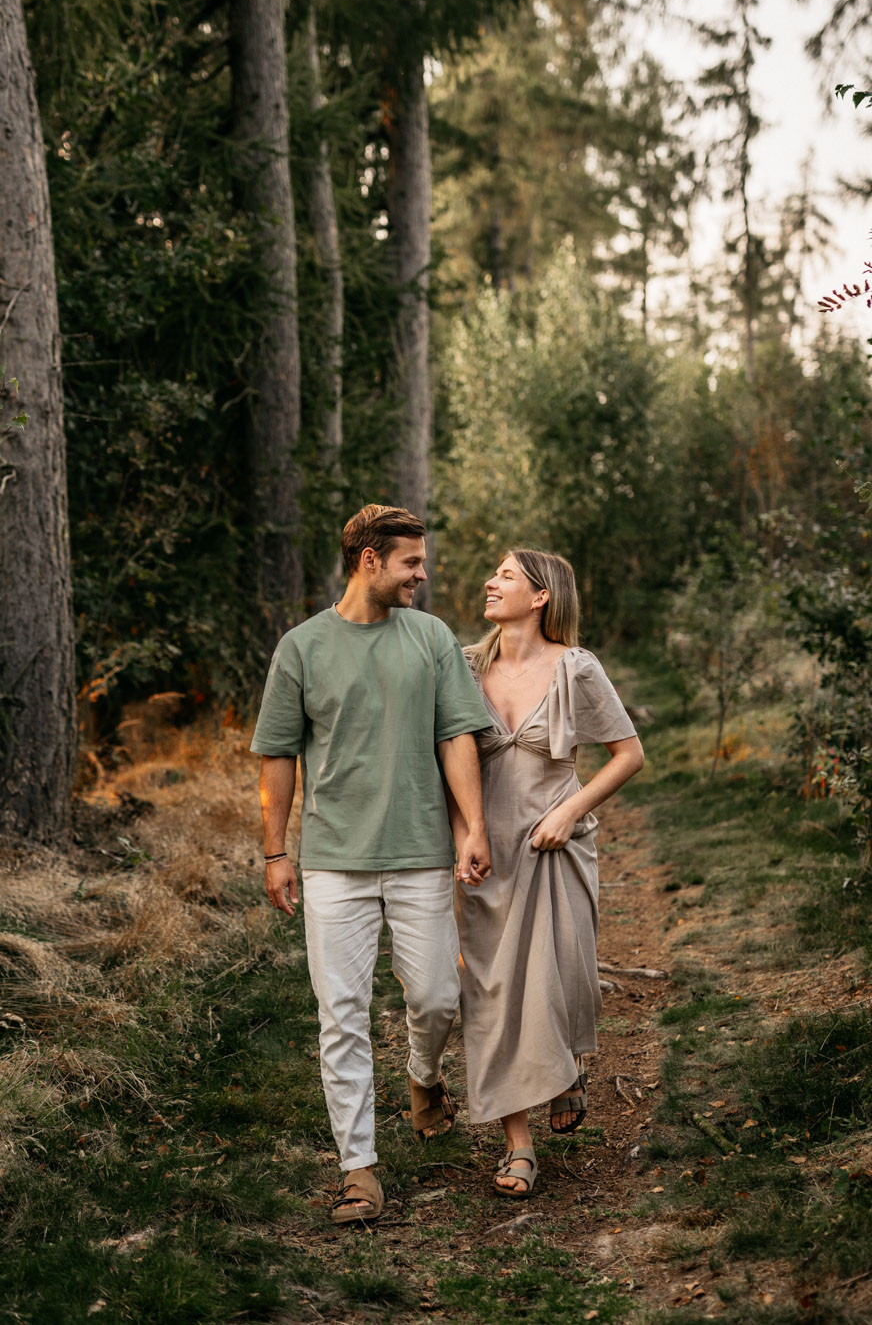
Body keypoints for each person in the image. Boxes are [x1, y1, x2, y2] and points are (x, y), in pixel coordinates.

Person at [251, 504, 492, 1224]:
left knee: (436, 998)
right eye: (412, 563)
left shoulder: (432, 637)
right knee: (342, 1016)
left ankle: (424, 1077)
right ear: (369, 561)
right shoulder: (301, 648)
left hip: (421, 852)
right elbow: (277, 757)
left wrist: (474, 827)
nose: (423, 574)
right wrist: (275, 852)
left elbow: (456, 737)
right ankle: (359, 1169)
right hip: (333, 863)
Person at [451, 549, 644, 1197]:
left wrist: (570, 811)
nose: (490, 581)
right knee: (494, 993)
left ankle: (563, 1070)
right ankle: (518, 1144)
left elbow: (628, 754)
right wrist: (461, 836)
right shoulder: (463, 668)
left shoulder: (575, 669)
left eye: (505, 575)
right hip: (484, 849)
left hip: (555, 845)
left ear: (540, 596)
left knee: (559, 980)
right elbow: (445, 763)